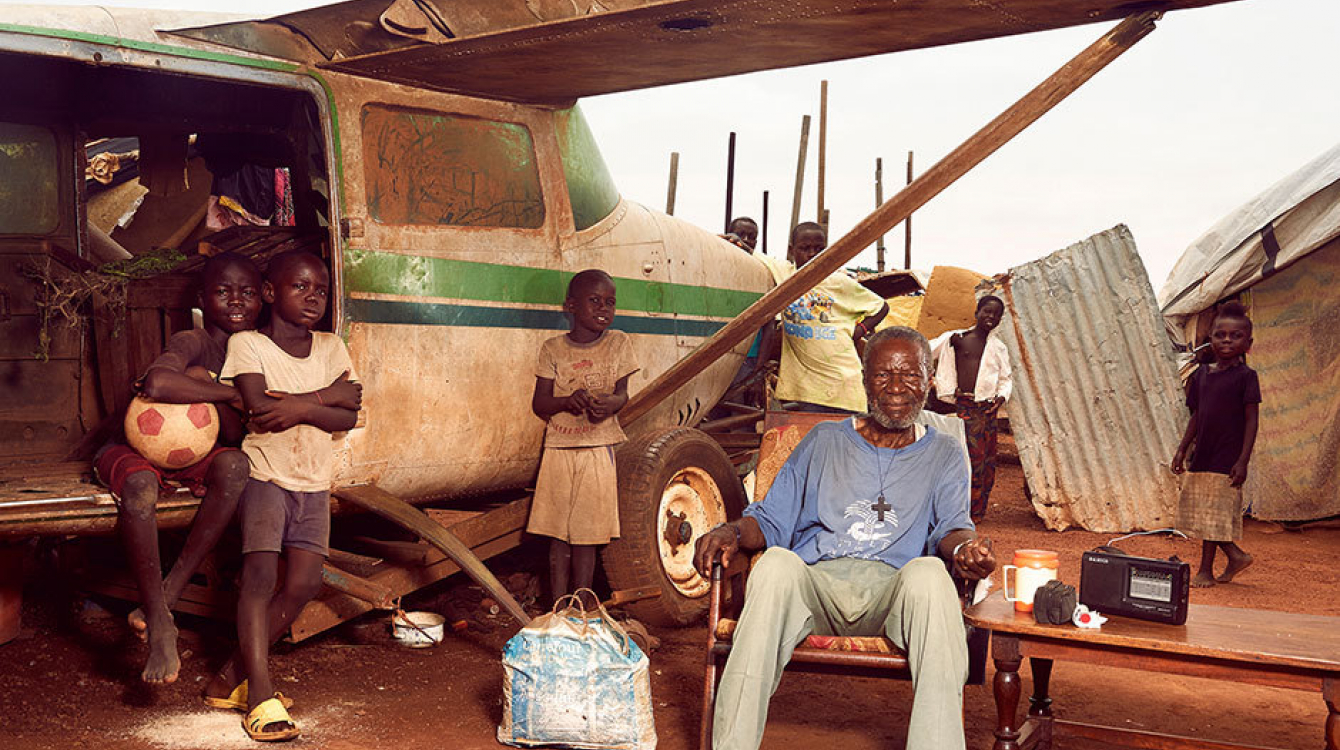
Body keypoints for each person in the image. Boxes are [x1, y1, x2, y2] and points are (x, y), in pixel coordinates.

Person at [694, 326, 995, 750]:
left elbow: (952, 526)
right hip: (817, 587)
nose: (895, 388)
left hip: (894, 594)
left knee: (930, 573)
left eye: (909, 375)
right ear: (864, 380)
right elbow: (770, 520)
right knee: (777, 566)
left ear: (929, 381)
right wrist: (729, 531)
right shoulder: (824, 441)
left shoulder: (944, 452)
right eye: (882, 375)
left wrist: (966, 549)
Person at [214, 250, 361, 741]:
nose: (313, 297)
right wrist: (326, 399)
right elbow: (259, 411)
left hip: (313, 481)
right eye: (300, 287)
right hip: (266, 476)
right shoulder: (248, 343)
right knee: (258, 577)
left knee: (302, 584)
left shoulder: (331, 346)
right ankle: (259, 695)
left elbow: (350, 415)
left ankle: (227, 679)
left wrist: (301, 404)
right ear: (272, 292)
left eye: (319, 288)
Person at [94, 252, 260, 684]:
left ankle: (171, 591)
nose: (236, 300)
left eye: (247, 292)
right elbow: (157, 384)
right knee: (141, 488)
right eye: (223, 291)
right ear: (204, 299)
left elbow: (234, 433)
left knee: (236, 468)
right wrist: (223, 392)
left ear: (264, 298)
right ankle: (160, 623)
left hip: (191, 454)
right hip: (133, 447)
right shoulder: (194, 341)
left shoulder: (259, 350)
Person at [529, 269, 639, 608]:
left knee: (587, 536)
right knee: (558, 535)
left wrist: (609, 405)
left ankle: (580, 605)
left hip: (597, 447)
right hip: (559, 449)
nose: (604, 308)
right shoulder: (553, 349)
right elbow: (540, 403)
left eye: (610, 302)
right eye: (595, 301)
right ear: (571, 306)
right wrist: (567, 401)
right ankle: (559, 606)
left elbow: (623, 395)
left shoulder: (618, 342)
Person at [1171, 301, 1259, 588]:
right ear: (1210, 339)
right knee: (1204, 509)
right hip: (1203, 451)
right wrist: (1183, 448)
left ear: (1248, 343)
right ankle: (1234, 556)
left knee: (1214, 512)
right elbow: (1197, 414)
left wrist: (1243, 460)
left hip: (1228, 454)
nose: (1227, 341)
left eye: (1236, 336)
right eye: (1221, 335)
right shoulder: (1202, 375)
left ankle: (1206, 569)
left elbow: (1251, 421)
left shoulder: (1247, 377)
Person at [772, 221, 889, 414]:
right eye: (805, 248)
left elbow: (881, 306)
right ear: (791, 250)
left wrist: (858, 331)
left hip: (842, 383)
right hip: (808, 386)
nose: (812, 254)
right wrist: (734, 240)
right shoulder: (784, 274)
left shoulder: (838, 282)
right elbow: (750, 254)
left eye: (819, 249)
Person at [928, 295, 1012, 521]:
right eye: (987, 311)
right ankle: (959, 510)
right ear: (976, 312)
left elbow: (1006, 379)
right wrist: (932, 379)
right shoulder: (956, 339)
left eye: (996, 314)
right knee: (967, 459)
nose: (991, 317)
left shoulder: (999, 348)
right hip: (964, 408)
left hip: (987, 411)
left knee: (987, 462)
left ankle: (977, 511)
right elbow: (925, 351)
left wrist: (1001, 398)